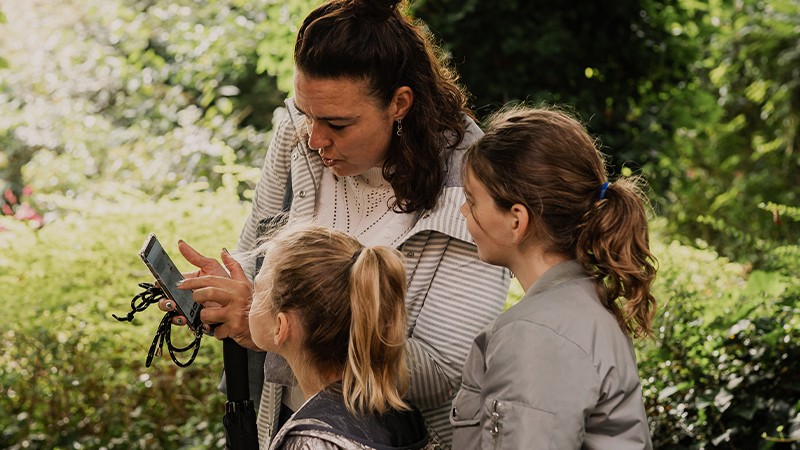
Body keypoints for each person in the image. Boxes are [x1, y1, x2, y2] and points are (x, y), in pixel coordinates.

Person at [160, 0, 510, 447]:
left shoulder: (470, 182)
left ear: (400, 103)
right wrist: (226, 294)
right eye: (306, 114)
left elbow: (443, 372)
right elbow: (257, 258)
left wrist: (266, 325)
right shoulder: (297, 136)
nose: (314, 138)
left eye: (338, 123)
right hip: (287, 423)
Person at [450, 106, 657, 449]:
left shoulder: (537, 335)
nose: (463, 211)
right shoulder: (583, 301)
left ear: (516, 220)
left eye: (472, 200)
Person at [247, 224, 431, 450]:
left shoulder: (312, 440)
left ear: (281, 326)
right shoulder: (403, 416)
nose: (248, 299)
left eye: (256, 290)